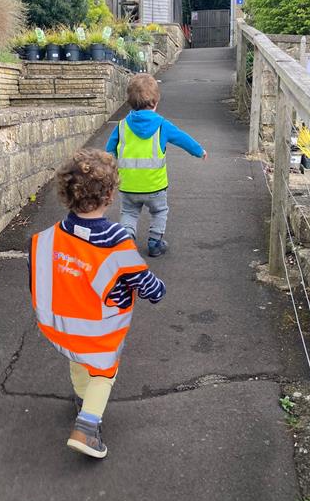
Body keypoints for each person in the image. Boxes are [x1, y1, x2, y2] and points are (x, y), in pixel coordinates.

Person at [29, 148, 165, 459]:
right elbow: (145, 285)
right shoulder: (116, 241)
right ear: (110, 195)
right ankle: (86, 429)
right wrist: (159, 290)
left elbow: (39, 274)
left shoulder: (50, 237)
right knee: (103, 371)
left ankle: (81, 399)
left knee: (78, 360)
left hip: (59, 324)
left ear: (66, 194)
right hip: (98, 329)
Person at [106, 73, 207, 257]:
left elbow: (109, 151)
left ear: (129, 101)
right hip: (155, 186)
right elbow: (182, 139)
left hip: (128, 185)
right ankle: (154, 242)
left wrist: (109, 172)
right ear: (155, 101)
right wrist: (199, 151)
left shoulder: (121, 126)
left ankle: (127, 240)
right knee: (159, 211)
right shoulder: (162, 125)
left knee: (129, 212)